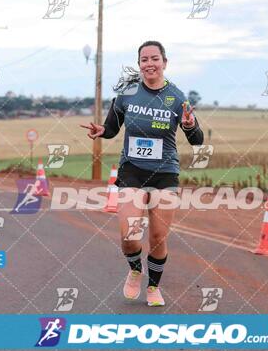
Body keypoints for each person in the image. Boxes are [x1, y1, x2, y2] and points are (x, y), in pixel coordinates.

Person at [80, 40, 204, 306]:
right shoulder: (128, 92)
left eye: (154, 58)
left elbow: (197, 140)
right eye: (144, 59)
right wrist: (103, 131)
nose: (149, 64)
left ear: (164, 62)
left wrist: (191, 125)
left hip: (164, 173)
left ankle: (153, 287)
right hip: (132, 171)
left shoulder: (177, 97)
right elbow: (112, 127)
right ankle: (135, 269)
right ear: (139, 64)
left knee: (158, 236)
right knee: (130, 236)